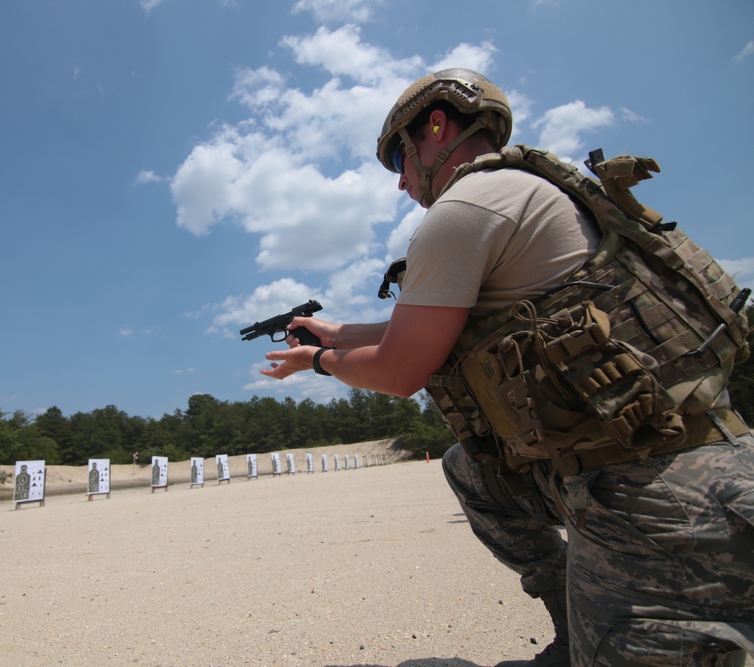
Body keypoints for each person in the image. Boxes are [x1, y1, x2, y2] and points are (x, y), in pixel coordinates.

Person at [260, 68, 754, 666]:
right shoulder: (527, 188)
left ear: (435, 127)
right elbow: (428, 328)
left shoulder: (461, 209)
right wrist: (332, 332)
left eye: (399, 157)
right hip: (686, 452)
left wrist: (318, 360)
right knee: (472, 470)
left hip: (650, 491)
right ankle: (574, 623)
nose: (400, 182)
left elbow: (398, 370)